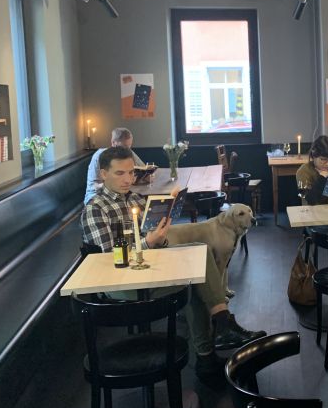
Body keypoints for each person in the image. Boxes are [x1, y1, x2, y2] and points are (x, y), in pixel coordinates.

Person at [81, 146, 265, 385]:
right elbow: (108, 259)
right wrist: (148, 242)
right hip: (121, 285)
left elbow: (154, 240)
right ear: (103, 174)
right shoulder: (95, 209)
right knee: (194, 282)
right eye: (120, 173)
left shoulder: (134, 199)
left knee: (199, 253)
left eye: (131, 173)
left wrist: (161, 236)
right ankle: (211, 349)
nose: (128, 179)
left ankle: (220, 329)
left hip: (148, 268)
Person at [83, 127, 145, 205]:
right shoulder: (100, 155)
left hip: (119, 193)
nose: (127, 149)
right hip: (95, 196)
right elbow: (95, 185)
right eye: (124, 146)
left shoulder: (127, 152)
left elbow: (143, 167)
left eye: (129, 146)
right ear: (113, 142)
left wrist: (145, 176)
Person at [295, 135, 328, 206]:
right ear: (313, 155)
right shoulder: (303, 171)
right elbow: (310, 200)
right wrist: (322, 178)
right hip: (312, 210)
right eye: (323, 159)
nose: (327, 164)